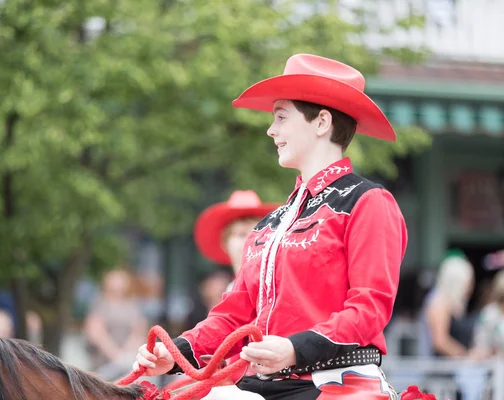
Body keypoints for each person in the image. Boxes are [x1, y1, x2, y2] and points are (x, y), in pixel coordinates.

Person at [133, 54, 408, 400]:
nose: (271, 130)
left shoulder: (367, 202)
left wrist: (295, 349)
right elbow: (232, 315)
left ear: (321, 122)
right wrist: (174, 354)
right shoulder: (271, 223)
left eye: (281, 117)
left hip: (335, 383)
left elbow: (370, 308)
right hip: (260, 384)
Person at [194, 190, 281, 288]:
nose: (250, 241)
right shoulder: (229, 291)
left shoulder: (276, 288)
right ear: (225, 243)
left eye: (257, 234)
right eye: (241, 234)